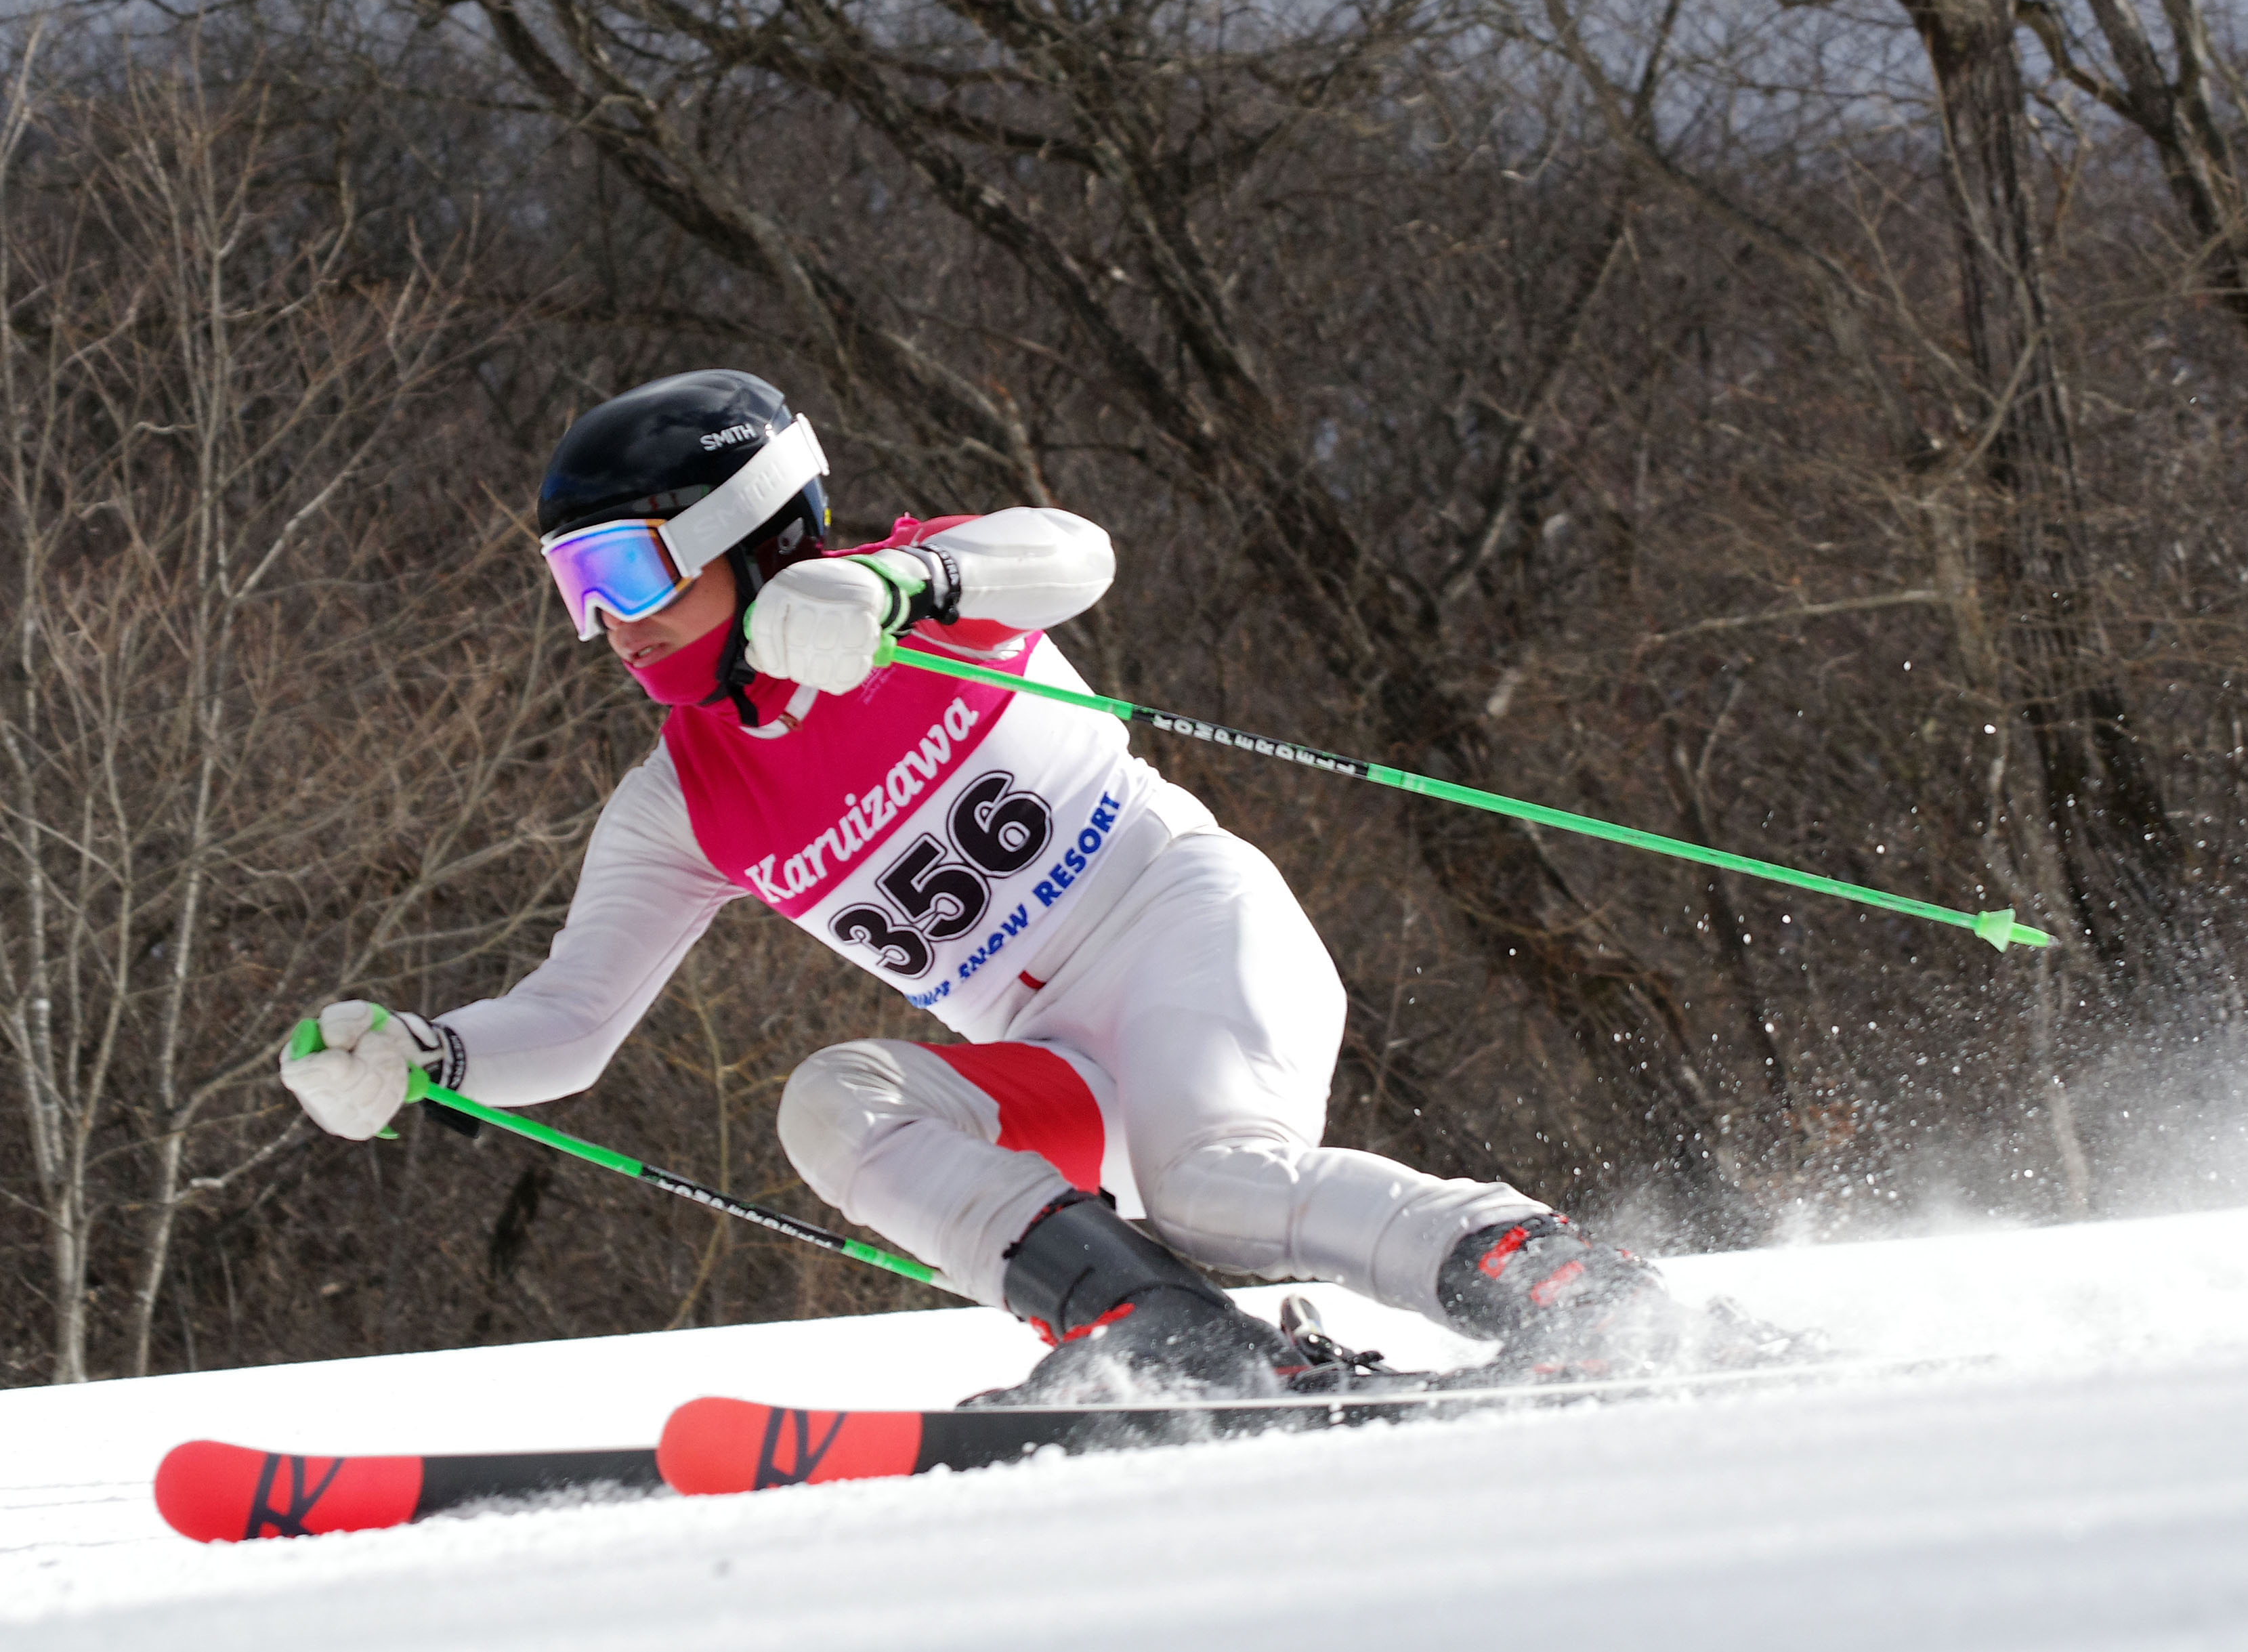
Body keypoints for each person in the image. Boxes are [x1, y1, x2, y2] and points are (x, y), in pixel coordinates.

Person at [279, 370, 1733, 1397]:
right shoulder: (683, 800)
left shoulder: (913, 594)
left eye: (626, 570)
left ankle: (1562, 1283)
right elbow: (573, 1023)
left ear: (745, 531)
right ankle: (1170, 1337)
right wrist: (427, 1056)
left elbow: (1073, 552)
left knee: (1214, 1185)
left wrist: (904, 587)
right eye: (575, 586)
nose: (607, 622)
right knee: (833, 1101)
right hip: (1051, 1060)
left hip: (1184, 929)